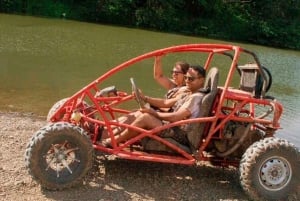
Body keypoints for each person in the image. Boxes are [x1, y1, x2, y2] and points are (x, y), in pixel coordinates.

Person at [102, 65, 206, 147]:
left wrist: (153, 113)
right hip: (173, 126)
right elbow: (165, 103)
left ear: (201, 80)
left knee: (146, 118)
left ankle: (112, 141)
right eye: (186, 78)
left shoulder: (196, 98)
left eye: (191, 79)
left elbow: (175, 117)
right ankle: (106, 134)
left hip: (180, 134)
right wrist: (145, 98)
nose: (187, 81)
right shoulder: (189, 92)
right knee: (140, 112)